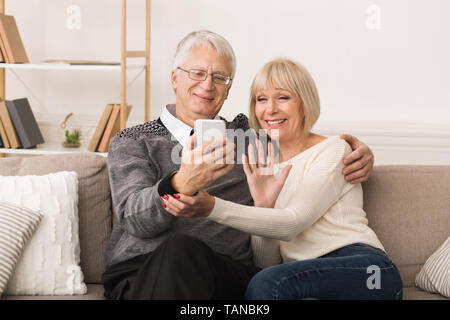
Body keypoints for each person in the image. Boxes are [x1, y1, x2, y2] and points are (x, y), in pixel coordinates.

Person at [102, 30, 376, 300]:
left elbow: (306, 145)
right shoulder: (133, 140)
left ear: (228, 89)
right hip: (140, 273)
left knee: (184, 250)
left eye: (219, 77)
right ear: (174, 78)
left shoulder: (251, 139)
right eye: (197, 73)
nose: (207, 85)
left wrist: (359, 153)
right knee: (178, 250)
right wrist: (180, 183)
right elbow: (134, 220)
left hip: (225, 275)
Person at [162, 57, 403, 300]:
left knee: (268, 283)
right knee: (270, 281)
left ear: (304, 102)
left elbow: (291, 223)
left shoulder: (335, 150)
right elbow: (267, 263)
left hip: (366, 270)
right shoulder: (264, 163)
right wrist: (264, 206)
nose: (270, 109)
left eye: (283, 97)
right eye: (261, 99)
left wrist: (210, 208)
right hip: (301, 280)